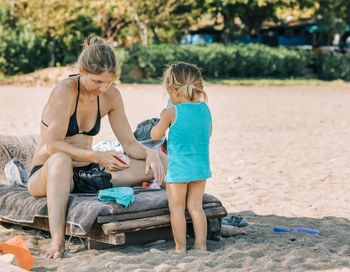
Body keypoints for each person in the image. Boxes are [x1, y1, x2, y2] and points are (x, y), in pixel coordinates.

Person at [27, 36, 167, 259]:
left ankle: (184, 218)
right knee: (62, 160)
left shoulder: (111, 96)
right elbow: (52, 145)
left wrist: (151, 153)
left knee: (161, 159)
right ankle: (57, 242)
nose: (103, 88)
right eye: (97, 82)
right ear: (81, 71)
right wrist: (97, 155)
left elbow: (129, 144)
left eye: (109, 82)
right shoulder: (66, 91)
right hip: (48, 172)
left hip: (89, 173)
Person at [150, 62, 212, 252]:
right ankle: (201, 246)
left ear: (174, 91)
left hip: (178, 170)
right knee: (196, 207)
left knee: (176, 208)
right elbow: (208, 134)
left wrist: (163, 118)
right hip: (200, 168)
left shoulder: (171, 112)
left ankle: (180, 247)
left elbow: (154, 135)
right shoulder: (205, 109)